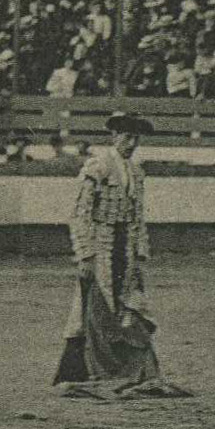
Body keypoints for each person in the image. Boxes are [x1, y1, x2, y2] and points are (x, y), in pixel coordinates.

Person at [54, 113, 163, 390]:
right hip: (102, 243)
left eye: (136, 139)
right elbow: (80, 214)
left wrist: (139, 254)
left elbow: (138, 217)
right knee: (95, 306)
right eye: (127, 137)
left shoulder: (137, 172)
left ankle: (127, 368)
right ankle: (90, 369)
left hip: (124, 246)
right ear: (114, 137)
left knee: (128, 305)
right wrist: (86, 254)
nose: (132, 143)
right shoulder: (98, 166)